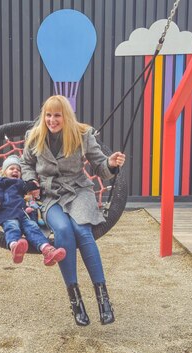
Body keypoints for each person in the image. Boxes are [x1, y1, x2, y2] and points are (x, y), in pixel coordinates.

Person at [20, 95, 126, 326]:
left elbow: (100, 166)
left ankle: (103, 299)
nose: (52, 120)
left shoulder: (82, 135)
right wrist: (31, 182)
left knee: (82, 231)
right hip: (50, 195)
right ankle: (75, 299)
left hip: (78, 191)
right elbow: (26, 163)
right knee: (63, 231)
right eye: (48, 115)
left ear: (65, 116)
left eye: (57, 115)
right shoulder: (34, 136)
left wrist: (111, 163)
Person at [0, 154, 66, 266]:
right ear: (4, 171)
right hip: (7, 212)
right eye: (12, 168)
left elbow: (33, 195)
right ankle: (14, 246)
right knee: (12, 226)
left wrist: (33, 187)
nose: (15, 171)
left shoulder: (22, 184)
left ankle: (47, 250)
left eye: (18, 169)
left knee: (33, 228)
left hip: (24, 213)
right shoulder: (0, 181)